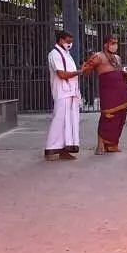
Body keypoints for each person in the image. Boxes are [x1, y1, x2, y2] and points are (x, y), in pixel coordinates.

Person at [84, 35, 127, 154]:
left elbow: (118, 72)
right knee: (107, 117)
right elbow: (86, 71)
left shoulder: (117, 58)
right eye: (112, 43)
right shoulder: (98, 57)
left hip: (120, 91)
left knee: (121, 117)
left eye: (116, 43)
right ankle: (100, 145)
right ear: (106, 44)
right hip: (108, 92)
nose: (115, 45)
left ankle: (112, 144)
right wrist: (85, 68)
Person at [46, 31, 90, 161]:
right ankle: (52, 148)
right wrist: (79, 72)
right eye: (68, 41)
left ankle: (65, 149)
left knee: (69, 122)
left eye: (71, 41)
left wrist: (80, 70)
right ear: (60, 40)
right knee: (59, 121)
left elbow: (71, 73)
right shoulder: (55, 54)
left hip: (70, 93)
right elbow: (62, 74)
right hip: (62, 93)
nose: (70, 44)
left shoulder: (66, 54)